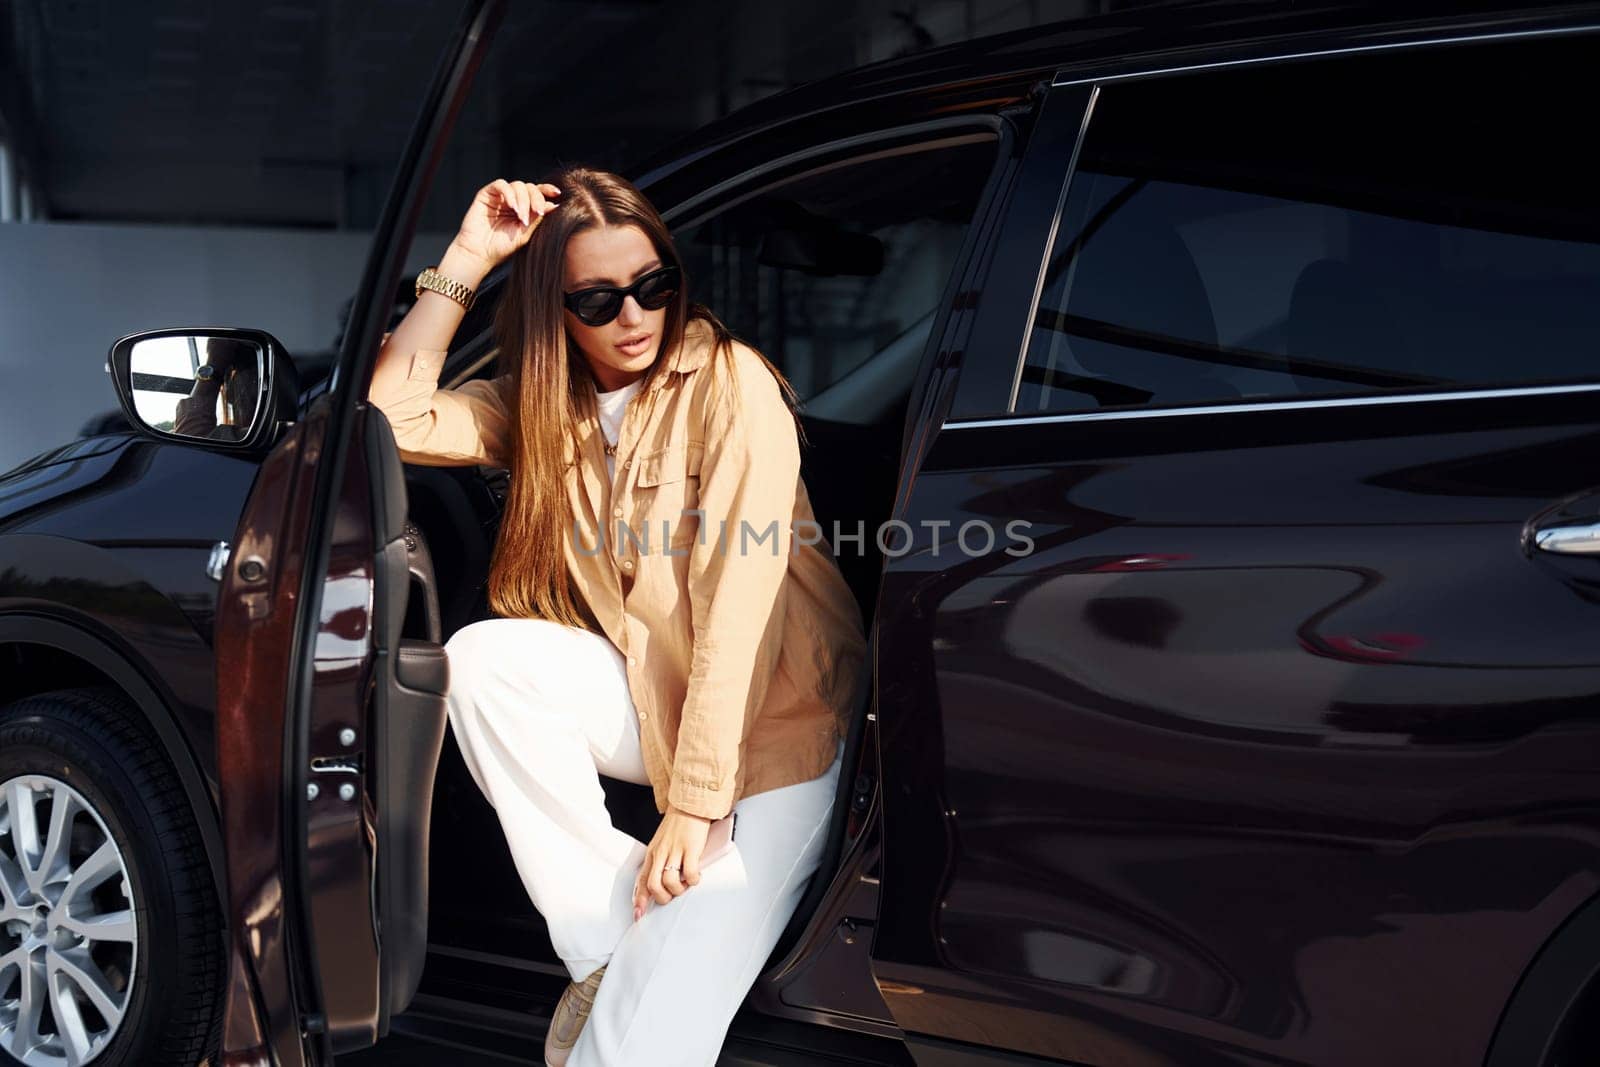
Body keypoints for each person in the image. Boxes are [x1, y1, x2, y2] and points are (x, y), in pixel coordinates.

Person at [366, 173, 867, 1067]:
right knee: (483, 660)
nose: (634, 315)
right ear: (558, 311)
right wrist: (470, 257)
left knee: (645, 1039)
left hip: (779, 725)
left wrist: (697, 801)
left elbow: (738, 603)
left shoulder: (730, 383)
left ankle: (625, 967)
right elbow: (392, 416)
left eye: (653, 285)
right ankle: (605, 943)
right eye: (599, 299)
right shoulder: (542, 405)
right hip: (660, 699)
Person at [173, 337, 260, 440]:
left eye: (236, 382)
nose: (230, 397)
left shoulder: (261, 436)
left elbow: (190, 440)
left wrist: (214, 363)